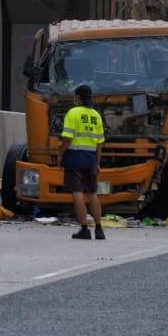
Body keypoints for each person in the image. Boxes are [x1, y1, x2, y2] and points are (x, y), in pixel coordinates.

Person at [61, 84, 106, 241]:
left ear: (78, 97)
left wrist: (60, 154)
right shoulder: (96, 115)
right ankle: (99, 229)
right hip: (91, 158)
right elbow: (100, 143)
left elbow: (67, 138)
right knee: (92, 193)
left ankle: (85, 229)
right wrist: (97, 163)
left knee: (77, 192)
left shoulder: (73, 113)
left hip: (74, 157)